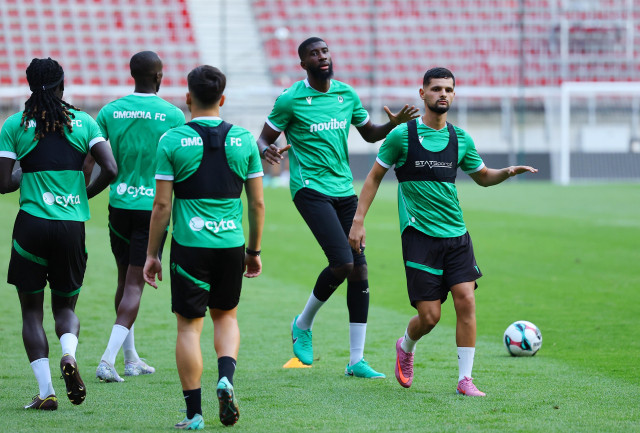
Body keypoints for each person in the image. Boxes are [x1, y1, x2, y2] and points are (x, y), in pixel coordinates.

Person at [348, 67, 538, 396]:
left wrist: (506, 172)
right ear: (422, 93)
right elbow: (374, 177)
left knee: (466, 301)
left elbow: (482, 176)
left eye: (448, 89)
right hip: (419, 236)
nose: (443, 94)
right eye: (436, 89)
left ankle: (465, 379)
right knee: (430, 317)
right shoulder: (401, 136)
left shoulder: (460, 138)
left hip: (457, 234)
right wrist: (358, 221)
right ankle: (406, 346)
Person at [258, 36, 418, 378]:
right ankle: (303, 324)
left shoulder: (347, 94)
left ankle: (356, 360)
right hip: (310, 189)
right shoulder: (290, 99)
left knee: (359, 270)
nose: (322, 57)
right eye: (314, 54)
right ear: (303, 64)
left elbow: (369, 134)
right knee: (343, 263)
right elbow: (263, 138)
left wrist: (393, 124)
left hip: (345, 190)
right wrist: (265, 149)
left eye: (325, 51)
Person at [143, 65, 264, 428]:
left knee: (188, 328)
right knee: (226, 316)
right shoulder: (244, 139)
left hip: (190, 246)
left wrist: (152, 254)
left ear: (188, 98)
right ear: (222, 99)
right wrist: (253, 252)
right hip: (231, 244)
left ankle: (194, 414)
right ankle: (225, 378)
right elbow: (257, 204)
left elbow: (162, 206)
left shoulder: (172, 140)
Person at [0, 57, 117, 410]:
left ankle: (46, 392)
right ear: (62, 86)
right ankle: (69, 354)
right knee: (65, 307)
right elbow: (111, 168)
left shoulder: (14, 125)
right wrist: (83, 195)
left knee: (31, 313)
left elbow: (3, 183)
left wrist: (24, 172)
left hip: (31, 226)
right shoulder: (84, 122)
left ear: (29, 86)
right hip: (71, 227)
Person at [92, 51, 186, 383]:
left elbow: (93, 158)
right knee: (135, 283)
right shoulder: (173, 115)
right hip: (152, 209)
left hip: (119, 205)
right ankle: (108, 360)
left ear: (132, 74)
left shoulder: (109, 111)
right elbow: (181, 161)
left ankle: (131, 358)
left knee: (124, 279)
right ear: (159, 76)